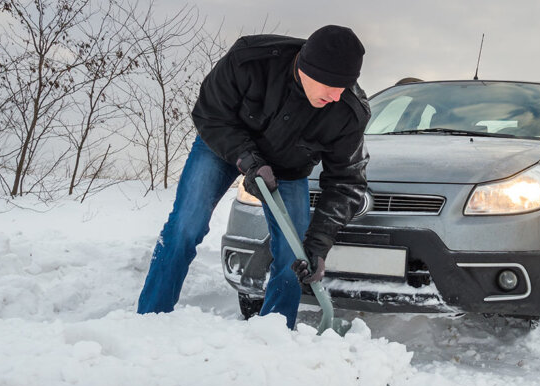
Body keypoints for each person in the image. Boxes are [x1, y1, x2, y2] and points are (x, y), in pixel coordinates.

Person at [136, 25, 370, 330]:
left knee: (294, 255)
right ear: (305, 66)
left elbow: (346, 183)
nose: (337, 95)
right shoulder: (250, 59)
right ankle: (149, 320)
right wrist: (247, 160)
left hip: (287, 170)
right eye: (330, 84)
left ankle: (274, 334)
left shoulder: (349, 112)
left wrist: (318, 244)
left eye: (345, 86)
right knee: (185, 225)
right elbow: (209, 114)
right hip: (221, 148)